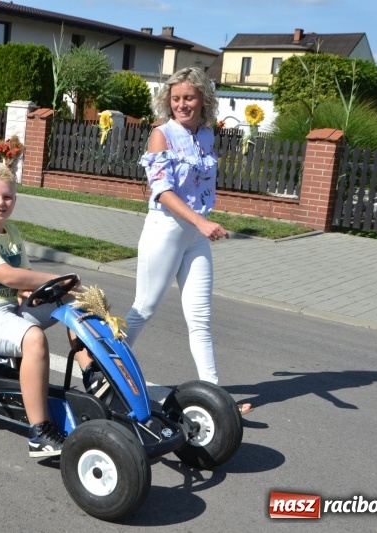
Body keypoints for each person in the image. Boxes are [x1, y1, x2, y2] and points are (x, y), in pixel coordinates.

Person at [122, 67, 253, 416]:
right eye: (176, 98)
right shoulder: (160, 135)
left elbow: (200, 183)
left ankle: (215, 399)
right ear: (169, 101)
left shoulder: (207, 135)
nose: (182, 104)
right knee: (145, 308)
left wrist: (201, 222)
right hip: (166, 230)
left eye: (189, 97)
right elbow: (161, 191)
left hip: (195, 235)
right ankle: (109, 369)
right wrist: (201, 221)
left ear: (203, 100)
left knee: (200, 317)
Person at [0, 166, 99, 458]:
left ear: (14, 201)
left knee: (75, 304)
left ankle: (92, 373)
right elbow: (9, 276)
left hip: (8, 310)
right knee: (33, 339)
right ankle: (40, 433)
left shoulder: (12, 233)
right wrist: (57, 278)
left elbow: (24, 285)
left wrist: (64, 291)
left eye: (7, 197)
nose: (0, 202)